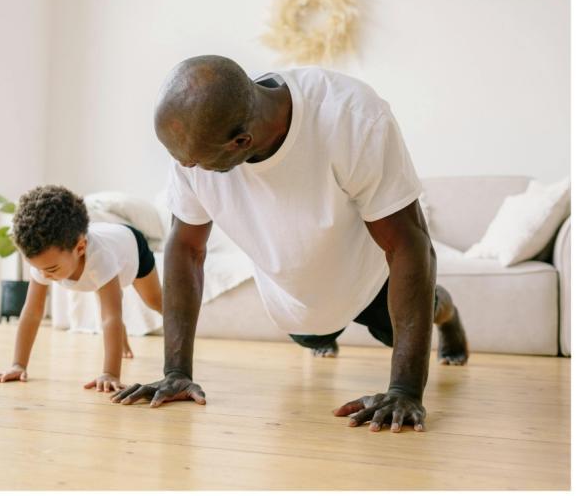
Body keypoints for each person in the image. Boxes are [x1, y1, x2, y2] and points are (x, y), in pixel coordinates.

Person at [112, 55, 469, 433]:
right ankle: (323, 329)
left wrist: (405, 390)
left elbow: (410, 244)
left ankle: (448, 315)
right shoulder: (192, 145)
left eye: (195, 162)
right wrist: (176, 372)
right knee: (312, 335)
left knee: (419, 313)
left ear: (241, 142)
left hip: (370, 276)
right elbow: (186, 248)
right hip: (298, 297)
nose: (186, 168)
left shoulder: (350, 117)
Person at [0, 185, 163, 392]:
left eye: (51, 269)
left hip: (132, 246)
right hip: (102, 254)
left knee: (153, 301)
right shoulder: (44, 261)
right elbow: (32, 312)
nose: (43, 275)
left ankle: (177, 322)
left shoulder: (100, 258)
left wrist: (110, 373)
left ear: (80, 248)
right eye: (36, 268)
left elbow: (110, 316)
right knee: (104, 296)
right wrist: (18, 365)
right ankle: (119, 333)